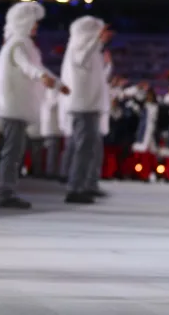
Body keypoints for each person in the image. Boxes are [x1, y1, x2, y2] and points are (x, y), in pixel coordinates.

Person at [0, 2, 70, 209]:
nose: (36, 27)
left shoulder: (24, 44)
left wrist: (57, 84)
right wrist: (41, 76)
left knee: (15, 150)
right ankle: (6, 192)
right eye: (33, 23)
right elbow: (27, 66)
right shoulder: (18, 43)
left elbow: (37, 66)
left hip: (16, 106)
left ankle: (8, 190)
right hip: (13, 106)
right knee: (12, 150)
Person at [60, 16, 113, 203]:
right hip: (83, 107)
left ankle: (83, 185)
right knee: (83, 148)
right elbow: (81, 59)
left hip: (89, 106)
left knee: (88, 148)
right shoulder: (78, 48)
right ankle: (75, 188)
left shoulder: (92, 52)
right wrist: (97, 40)